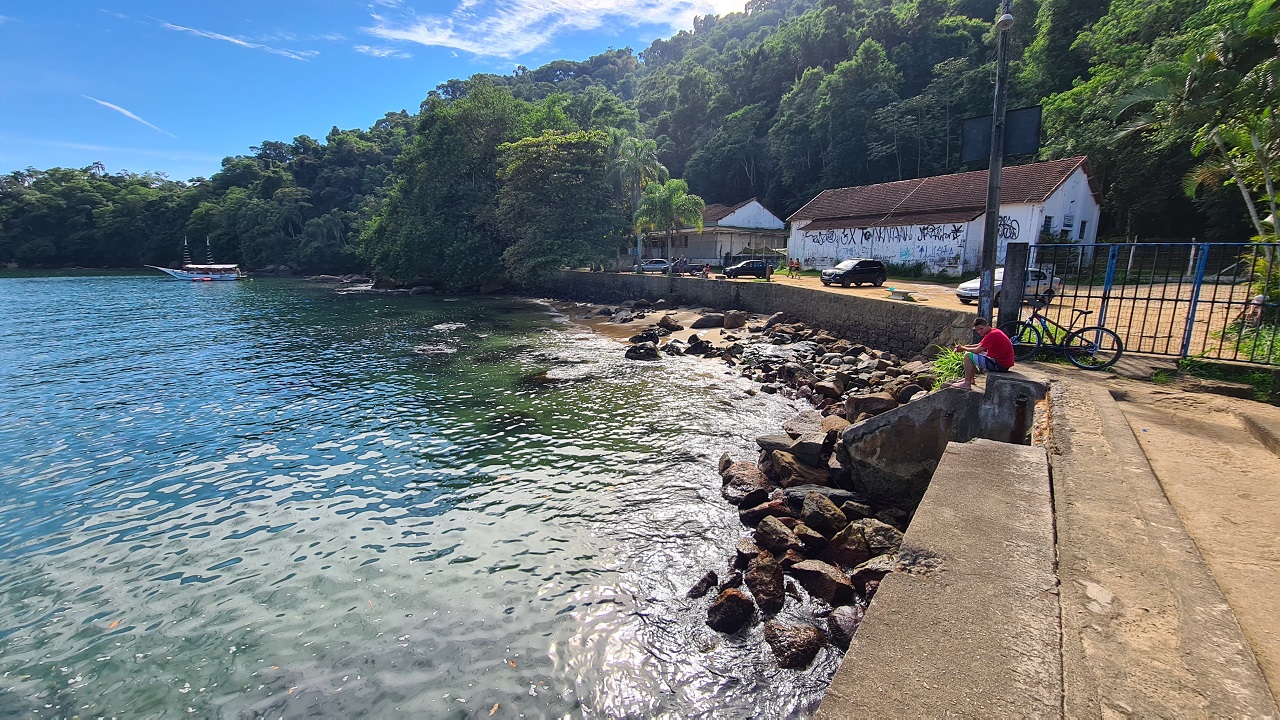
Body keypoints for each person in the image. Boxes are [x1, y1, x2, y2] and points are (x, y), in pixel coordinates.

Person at [948, 317, 1014, 390]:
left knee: (968, 356)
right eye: (977, 330)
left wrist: (963, 348)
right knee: (969, 353)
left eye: (981, 329)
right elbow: (979, 345)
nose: (979, 332)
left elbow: (977, 350)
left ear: (987, 325)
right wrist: (963, 347)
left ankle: (966, 383)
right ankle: (971, 379)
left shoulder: (992, 335)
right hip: (1001, 363)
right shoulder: (993, 331)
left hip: (1000, 365)